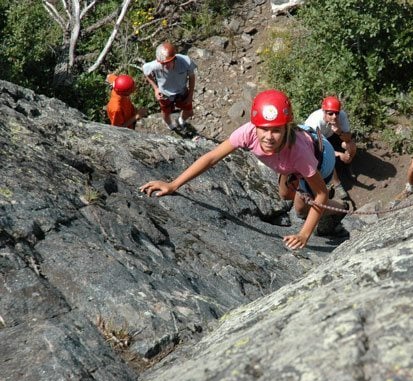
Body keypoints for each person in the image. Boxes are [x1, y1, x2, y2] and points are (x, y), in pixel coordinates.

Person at [139, 89, 348, 250]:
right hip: (291, 162)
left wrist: (304, 235)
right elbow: (212, 157)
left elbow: (320, 193)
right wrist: (173, 184)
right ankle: (304, 192)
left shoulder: (299, 154)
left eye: (276, 130)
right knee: (285, 195)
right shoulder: (247, 132)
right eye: (263, 129)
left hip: (321, 159)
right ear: (254, 125)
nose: (268, 136)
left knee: (301, 210)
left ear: (286, 127)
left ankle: (340, 207)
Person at [304, 96, 357, 200]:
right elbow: (320, 150)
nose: (334, 117)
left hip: (333, 136)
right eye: (330, 114)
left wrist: (339, 131)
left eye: (336, 113)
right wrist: (338, 154)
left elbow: (348, 137)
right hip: (318, 144)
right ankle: (337, 184)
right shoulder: (315, 123)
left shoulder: (341, 116)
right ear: (323, 112)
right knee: (327, 158)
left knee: (351, 145)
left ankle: (348, 163)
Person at [143, 42, 197, 131]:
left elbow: (192, 76)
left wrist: (190, 95)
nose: (165, 65)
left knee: (189, 112)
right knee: (165, 113)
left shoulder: (185, 61)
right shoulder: (155, 65)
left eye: (168, 62)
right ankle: (170, 126)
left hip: (181, 92)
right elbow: (146, 72)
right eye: (162, 63)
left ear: (174, 58)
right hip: (165, 94)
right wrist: (156, 89)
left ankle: (181, 121)